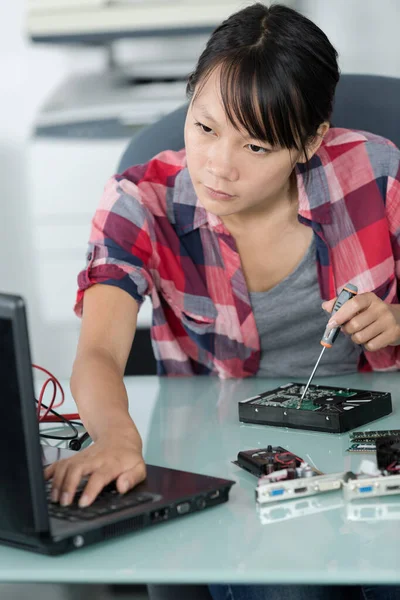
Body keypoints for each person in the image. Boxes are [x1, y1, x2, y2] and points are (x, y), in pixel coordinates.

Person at [44, 3, 400, 599]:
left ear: (309, 142)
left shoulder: (377, 171)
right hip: (230, 447)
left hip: (377, 441)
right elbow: (101, 351)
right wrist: (115, 438)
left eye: (257, 147)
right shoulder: (140, 200)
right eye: (205, 127)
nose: (218, 167)